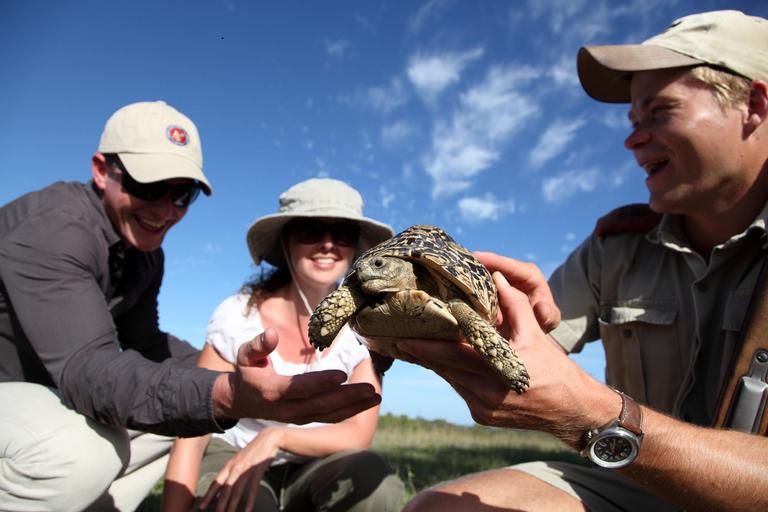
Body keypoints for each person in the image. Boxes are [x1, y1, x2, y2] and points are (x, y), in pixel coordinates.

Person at [397, 10, 768, 512]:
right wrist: (471, 318)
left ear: (754, 105)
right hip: (641, 483)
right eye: (635, 120)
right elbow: (531, 344)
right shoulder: (616, 246)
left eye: (660, 112)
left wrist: (596, 413)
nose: (633, 139)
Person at [0, 102, 381, 512]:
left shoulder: (144, 253)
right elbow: (89, 370)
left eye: (182, 194)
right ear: (100, 170)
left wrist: (220, 368)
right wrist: (222, 391)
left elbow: (144, 341)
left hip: (47, 391)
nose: (165, 211)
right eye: (148, 187)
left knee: (178, 415)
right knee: (84, 451)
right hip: (17, 390)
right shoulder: (56, 228)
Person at [161, 178, 405, 512]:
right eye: (311, 231)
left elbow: (358, 432)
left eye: (343, 234)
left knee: (372, 481)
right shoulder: (237, 314)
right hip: (234, 453)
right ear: (286, 241)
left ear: (355, 247)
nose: (328, 245)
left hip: (317, 462)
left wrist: (276, 437)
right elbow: (194, 425)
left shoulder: (367, 325)